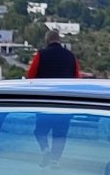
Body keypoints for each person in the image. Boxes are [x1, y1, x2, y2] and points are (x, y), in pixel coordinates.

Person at [26, 30, 81, 165]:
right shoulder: (70, 56)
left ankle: (45, 151)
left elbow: (30, 77)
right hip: (65, 103)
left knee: (40, 131)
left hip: (45, 102)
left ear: (47, 40)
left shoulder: (41, 55)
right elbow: (78, 78)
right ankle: (55, 160)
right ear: (59, 40)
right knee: (60, 134)